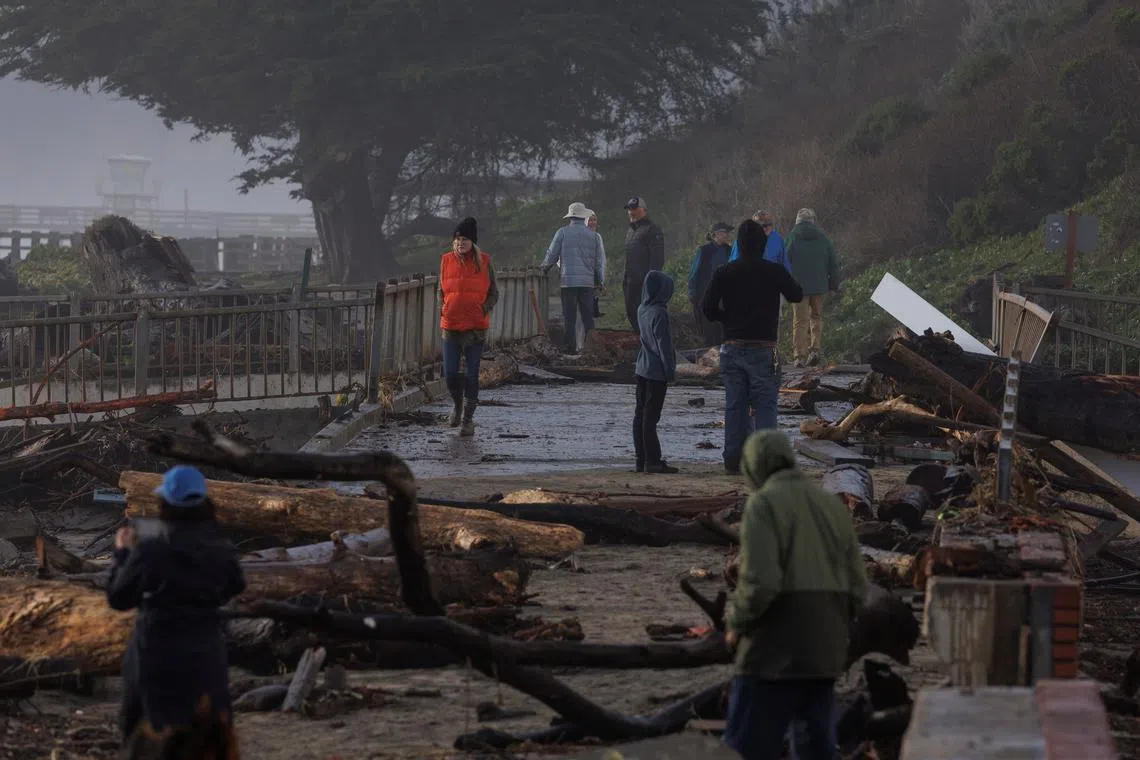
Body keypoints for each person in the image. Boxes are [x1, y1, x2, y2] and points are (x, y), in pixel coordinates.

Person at [723, 429, 868, 760]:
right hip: (827, 649)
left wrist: (736, 624)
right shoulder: (831, 505)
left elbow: (762, 582)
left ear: (753, 466)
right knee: (816, 747)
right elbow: (859, 585)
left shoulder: (763, 504)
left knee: (746, 745)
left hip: (776, 648)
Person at [107, 465, 246, 747]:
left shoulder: (151, 551)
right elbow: (235, 586)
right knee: (208, 734)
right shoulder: (222, 550)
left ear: (165, 504)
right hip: (206, 650)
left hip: (156, 651)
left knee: (150, 733)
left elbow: (119, 598)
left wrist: (122, 555)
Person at [702, 219, 802, 475]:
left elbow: (708, 309)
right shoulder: (774, 271)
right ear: (763, 244)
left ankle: (733, 460)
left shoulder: (724, 272)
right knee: (766, 405)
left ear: (740, 245)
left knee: (735, 405)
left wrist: (728, 319)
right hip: (764, 347)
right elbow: (796, 295)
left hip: (732, 347)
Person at [440, 216, 499, 436]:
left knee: (472, 375)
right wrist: (443, 307)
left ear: (472, 242)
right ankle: (456, 405)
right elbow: (441, 290)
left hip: (475, 328)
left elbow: (494, 292)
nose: (460, 243)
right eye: (457, 239)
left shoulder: (484, 261)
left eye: (465, 239)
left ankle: (468, 420)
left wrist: (484, 309)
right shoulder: (446, 260)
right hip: (451, 326)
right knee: (451, 374)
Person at [542, 202, 605, 354]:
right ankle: (591, 349)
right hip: (587, 284)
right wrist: (600, 281)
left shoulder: (562, 233)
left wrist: (543, 269)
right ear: (584, 216)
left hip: (568, 283)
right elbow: (598, 263)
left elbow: (552, 255)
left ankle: (570, 349)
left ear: (570, 217)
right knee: (588, 317)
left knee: (569, 318)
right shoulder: (594, 236)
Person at [634, 271, 678, 474]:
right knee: (651, 418)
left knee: (640, 415)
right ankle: (652, 461)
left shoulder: (642, 308)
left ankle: (641, 459)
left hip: (641, 368)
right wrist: (670, 371)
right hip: (656, 372)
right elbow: (664, 346)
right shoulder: (660, 314)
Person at [785, 208, 839, 367]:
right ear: (812, 221)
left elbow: (785, 261)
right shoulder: (823, 237)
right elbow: (832, 262)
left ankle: (799, 356)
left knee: (800, 321)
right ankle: (815, 350)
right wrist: (834, 284)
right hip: (819, 285)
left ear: (797, 221)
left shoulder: (792, 237)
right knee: (816, 317)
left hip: (798, 286)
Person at [622, 196, 665, 332]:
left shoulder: (653, 229)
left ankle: (648, 347)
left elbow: (657, 259)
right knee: (632, 314)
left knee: (645, 317)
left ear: (644, 210)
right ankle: (641, 346)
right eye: (629, 209)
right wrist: (625, 280)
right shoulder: (630, 231)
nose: (631, 212)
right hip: (630, 283)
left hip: (644, 284)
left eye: (634, 209)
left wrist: (651, 282)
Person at [687, 221, 733, 347]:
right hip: (706, 298)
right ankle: (709, 362)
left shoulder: (729, 251)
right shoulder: (704, 251)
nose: (726, 235)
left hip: (725, 299)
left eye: (727, 233)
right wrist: (692, 293)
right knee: (709, 334)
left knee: (723, 333)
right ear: (715, 234)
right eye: (724, 232)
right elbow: (694, 273)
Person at [587, 212, 606, 319]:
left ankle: (594, 310)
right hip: (589, 268)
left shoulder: (597, 236)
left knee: (594, 292)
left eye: (594, 220)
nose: (593, 222)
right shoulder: (594, 237)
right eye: (590, 220)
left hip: (594, 268)